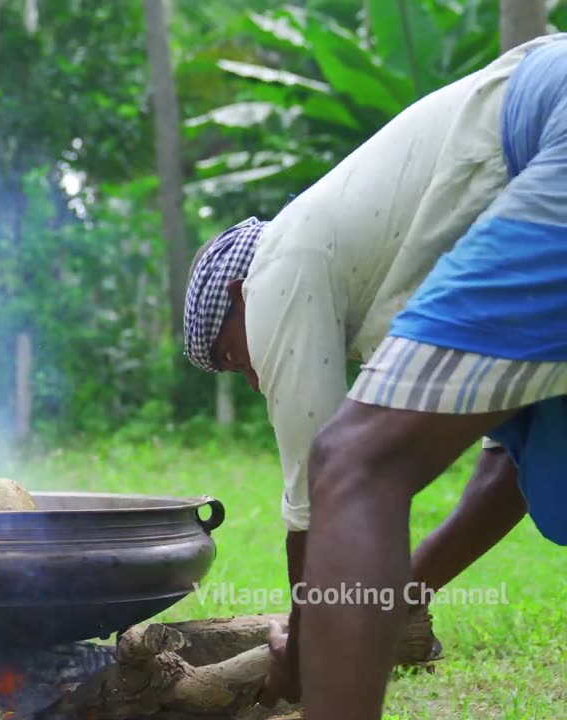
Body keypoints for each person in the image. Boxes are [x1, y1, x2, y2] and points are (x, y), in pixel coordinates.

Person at [181, 33, 567, 713]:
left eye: (233, 355)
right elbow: (505, 467)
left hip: (545, 121)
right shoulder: (397, 279)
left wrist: (302, 649)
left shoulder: (275, 263)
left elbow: (322, 501)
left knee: (349, 462)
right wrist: (399, 598)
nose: (250, 378)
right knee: (549, 474)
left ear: (241, 301)